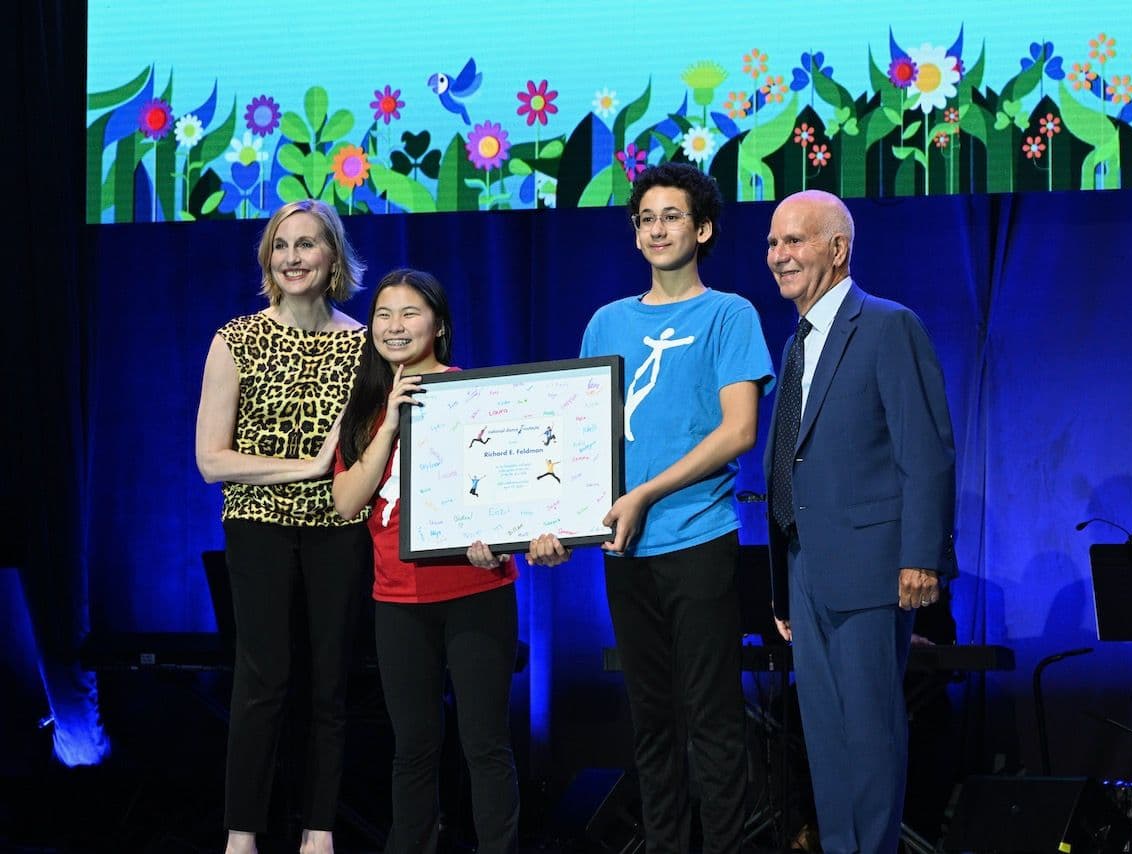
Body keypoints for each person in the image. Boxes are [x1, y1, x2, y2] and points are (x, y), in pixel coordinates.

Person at [332, 269, 570, 854]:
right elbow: (344, 503)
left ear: (438, 323)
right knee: (412, 746)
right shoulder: (363, 409)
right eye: (383, 314)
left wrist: (526, 536)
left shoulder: (477, 396)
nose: (394, 325)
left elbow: (511, 489)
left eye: (410, 312)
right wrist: (389, 420)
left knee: (484, 744)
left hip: (476, 591)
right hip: (398, 601)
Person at [579, 162, 774, 853]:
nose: (658, 228)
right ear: (635, 235)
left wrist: (646, 494)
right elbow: (580, 438)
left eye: (672, 216)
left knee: (713, 721)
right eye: (646, 219)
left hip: (697, 540)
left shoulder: (729, 314)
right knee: (650, 720)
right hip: (624, 550)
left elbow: (739, 431)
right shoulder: (606, 322)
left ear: (704, 228)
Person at [763, 190, 956, 854]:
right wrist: (784, 583)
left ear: (838, 249)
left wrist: (921, 556)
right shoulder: (797, 343)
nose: (779, 256)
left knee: (870, 730)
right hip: (806, 565)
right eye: (773, 243)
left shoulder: (886, 324)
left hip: (873, 566)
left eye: (795, 241)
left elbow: (925, 450)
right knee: (824, 732)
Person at [195, 199, 370, 854]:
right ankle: (242, 835)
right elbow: (211, 461)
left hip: (339, 529)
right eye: (281, 245)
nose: (293, 257)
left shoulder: (362, 343)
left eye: (308, 245)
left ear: (333, 259)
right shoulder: (235, 338)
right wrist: (308, 466)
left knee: (329, 681)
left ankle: (317, 833)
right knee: (262, 680)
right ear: (269, 259)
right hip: (258, 525)